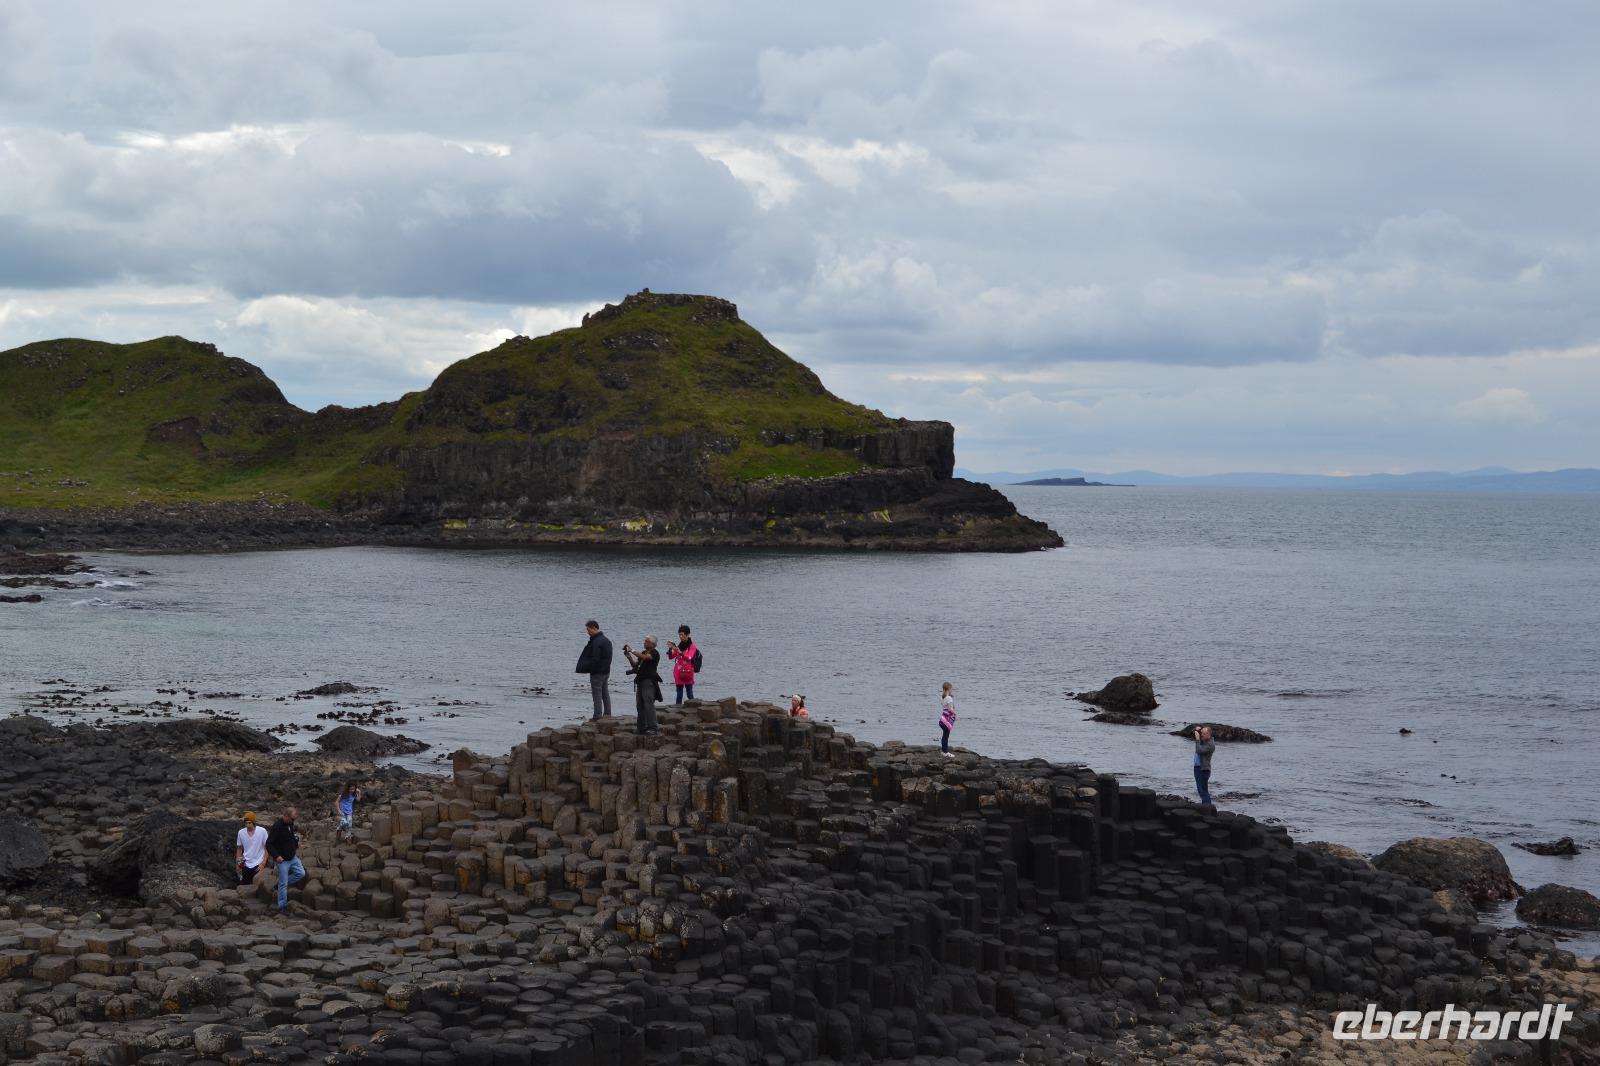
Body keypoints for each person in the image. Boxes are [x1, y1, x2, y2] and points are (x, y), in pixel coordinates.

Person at [266, 805, 304, 914]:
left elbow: (291, 836)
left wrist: (296, 843)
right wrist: (276, 856)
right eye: (292, 819)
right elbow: (269, 844)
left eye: (294, 819)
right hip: (282, 861)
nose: (294, 821)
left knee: (301, 873)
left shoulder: (290, 823)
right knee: (284, 884)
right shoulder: (277, 827)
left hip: (292, 857)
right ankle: (282, 908)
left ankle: (279, 885)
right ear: (286, 816)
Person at [622, 636, 662, 735]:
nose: (644, 643)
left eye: (646, 641)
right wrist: (628, 656)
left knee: (648, 704)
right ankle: (641, 727)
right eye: (645, 641)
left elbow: (646, 658)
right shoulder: (644, 652)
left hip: (649, 681)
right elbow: (635, 665)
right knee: (640, 705)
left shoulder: (654, 653)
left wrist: (632, 650)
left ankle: (653, 727)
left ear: (653, 644)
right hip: (640, 681)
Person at [576, 620, 614, 720]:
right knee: (605, 693)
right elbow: (609, 657)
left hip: (597, 672)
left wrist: (590, 669)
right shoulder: (607, 640)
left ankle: (597, 716)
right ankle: (607, 714)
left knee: (597, 694)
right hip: (606, 671)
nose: (587, 632)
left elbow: (595, 659)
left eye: (588, 630)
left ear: (594, 628)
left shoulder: (596, 642)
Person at [667, 625, 698, 704]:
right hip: (678, 672)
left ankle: (694, 709)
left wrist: (680, 652)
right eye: (679, 635)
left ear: (687, 635)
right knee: (679, 694)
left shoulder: (692, 646)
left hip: (688, 672)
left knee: (689, 694)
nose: (680, 637)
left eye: (682, 635)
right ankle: (677, 712)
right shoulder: (679, 646)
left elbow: (689, 657)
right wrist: (671, 648)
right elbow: (671, 657)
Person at [234, 811, 268, 885]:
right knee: (246, 885)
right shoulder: (241, 832)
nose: (248, 825)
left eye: (249, 823)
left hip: (259, 863)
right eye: (246, 823)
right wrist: (238, 864)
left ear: (253, 822)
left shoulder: (262, 831)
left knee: (258, 885)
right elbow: (239, 848)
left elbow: (267, 847)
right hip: (246, 863)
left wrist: (263, 863)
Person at [1193, 725, 1216, 805]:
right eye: (1201, 733)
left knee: (1202, 791)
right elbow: (1195, 733)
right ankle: (1206, 806)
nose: (1201, 735)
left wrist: (1197, 740)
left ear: (1208, 734)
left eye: (1203, 733)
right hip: (1198, 768)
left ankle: (1207, 808)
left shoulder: (1211, 745)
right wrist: (1197, 729)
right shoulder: (1205, 740)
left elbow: (1199, 750)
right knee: (1202, 790)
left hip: (1203, 769)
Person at [938, 682, 956, 756]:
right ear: (949, 688)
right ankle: (945, 752)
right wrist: (954, 713)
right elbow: (949, 709)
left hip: (942, 719)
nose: (952, 690)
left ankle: (943, 751)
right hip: (946, 720)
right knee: (946, 736)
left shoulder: (944, 698)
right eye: (951, 688)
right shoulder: (949, 698)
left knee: (944, 735)